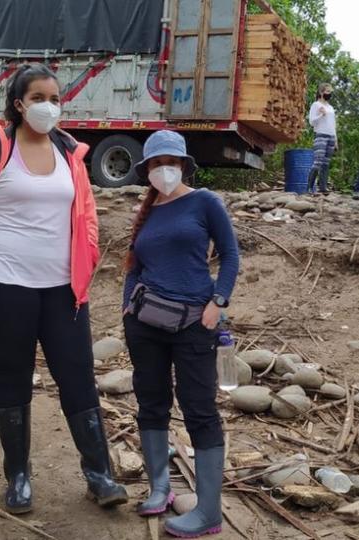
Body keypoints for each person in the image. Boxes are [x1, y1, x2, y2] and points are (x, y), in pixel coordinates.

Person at [0, 64, 128, 514]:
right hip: (4, 281)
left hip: (62, 285)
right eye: (38, 97)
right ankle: (18, 477)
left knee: (77, 373)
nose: (49, 105)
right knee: (12, 374)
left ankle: (99, 474)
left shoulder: (69, 152)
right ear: (19, 104)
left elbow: (87, 210)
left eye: (55, 98)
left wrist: (92, 247)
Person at [122, 130, 240, 538]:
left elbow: (230, 254)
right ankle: (160, 487)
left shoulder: (205, 201)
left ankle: (208, 511)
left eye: (170, 162)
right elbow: (135, 265)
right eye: (156, 164)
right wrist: (126, 306)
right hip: (145, 324)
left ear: (184, 165)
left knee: (199, 409)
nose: (163, 170)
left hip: (195, 323)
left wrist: (218, 303)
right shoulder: (149, 209)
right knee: (151, 402)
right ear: (147, 170)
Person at [307, 82, 338, 194]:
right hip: (320, 135)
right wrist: (321, 115)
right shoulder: (316, 105)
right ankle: (310, 187)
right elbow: (311, 122)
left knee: (326, 163)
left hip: (331, 136)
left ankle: (323, 187)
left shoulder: (331, 107)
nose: (329, 94)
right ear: (321, 92)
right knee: (318, 162)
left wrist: (336, 140)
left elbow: (333, 124)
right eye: (327, 91)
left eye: (330, 92)